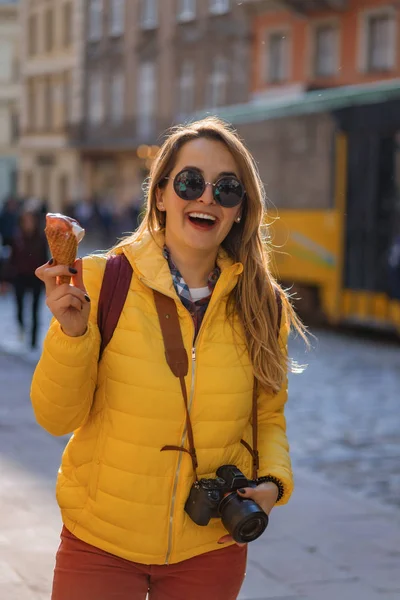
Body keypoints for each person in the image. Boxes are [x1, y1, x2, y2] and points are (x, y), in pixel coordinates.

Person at [31, 117, 306, 600]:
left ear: (240, 210)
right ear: (160, 194)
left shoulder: (263, 303)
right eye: (190, 182)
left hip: (209, 550)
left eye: (226, 188)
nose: (206, 198)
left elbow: (268, 417)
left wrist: (273, 482)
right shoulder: (98, 282)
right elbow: (56, 418)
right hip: (100, 544)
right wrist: (72, 335)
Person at [9, 210, 48, 348]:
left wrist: (46, 279)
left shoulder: (41, 238)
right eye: (26, 221)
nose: (28, 224)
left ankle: (33, 341)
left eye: (31, 220)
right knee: (19, 307)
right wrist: (7, 278)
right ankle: (21, 326)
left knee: (35, 310)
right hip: (20, 276)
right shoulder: (16, 237)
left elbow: (45, 259)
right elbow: (11, 259)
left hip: (36, 277)